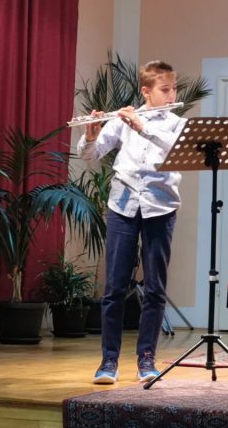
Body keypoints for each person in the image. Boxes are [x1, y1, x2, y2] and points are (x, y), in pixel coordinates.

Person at [77, 60, 185, 384]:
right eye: (165, 90)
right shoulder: (123, 120)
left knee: (155, 288)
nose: (171, 95)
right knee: (114, 287)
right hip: (123, 206)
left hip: (160, 208)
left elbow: (177, 151)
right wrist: (90, 136)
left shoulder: (176, 124)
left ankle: (146, 359)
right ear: (146, 91)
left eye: (173, 89)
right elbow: (90, 155)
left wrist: (143, 127)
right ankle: (108, 361)